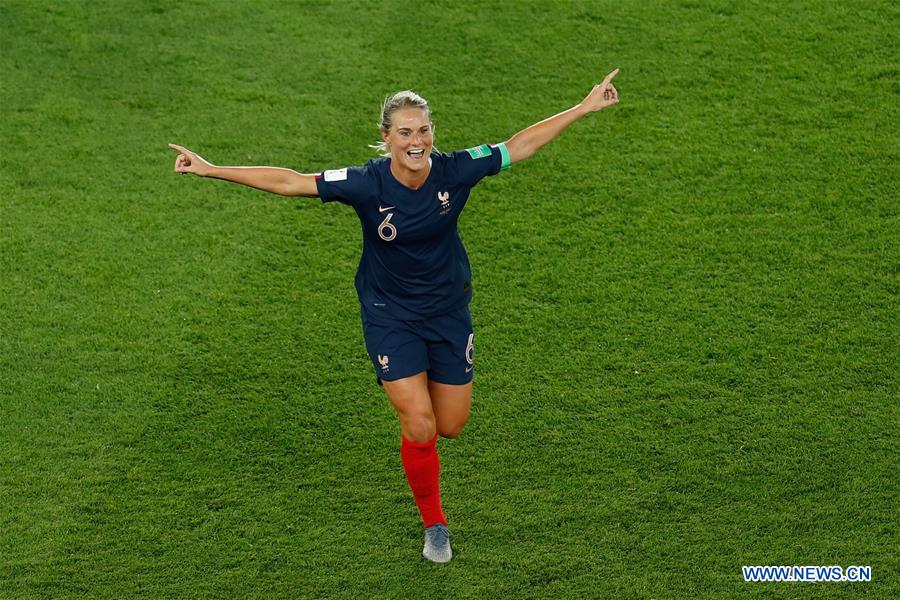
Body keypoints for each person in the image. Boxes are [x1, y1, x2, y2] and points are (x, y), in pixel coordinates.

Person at [169, 68, 619, 563]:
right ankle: (435, 524)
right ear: (386, 138)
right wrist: (212, 169)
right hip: (390, 315)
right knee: (421, 424)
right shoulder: (365, 183)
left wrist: (582, 108)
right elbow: (291, 182)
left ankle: (413, 393)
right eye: (405, 132)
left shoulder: (454, 170)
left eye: (423, 130)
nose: (416, 140)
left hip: (448, 313)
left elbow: (519, 145)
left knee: (450, 425)